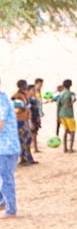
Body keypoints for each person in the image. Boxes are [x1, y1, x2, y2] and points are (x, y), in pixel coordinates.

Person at [0, 81, 18, 217]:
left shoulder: (2, 102)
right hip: (7, 147)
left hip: (5, 148)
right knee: (6, 178)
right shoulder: (4, 99)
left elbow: (0, 125)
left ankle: (10, 210)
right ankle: (3, 203)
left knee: (6, 179)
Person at [12, 80, 35, 165]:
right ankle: (23, 159)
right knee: (23, 139)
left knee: (28, 139)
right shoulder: (16, 95)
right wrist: (23, 108)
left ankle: (28, 157)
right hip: (19, 120)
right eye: (25, 85)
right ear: (22, 86)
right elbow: (14, 106)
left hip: (25, 119)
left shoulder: (24, 95)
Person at [58, 79, 77, 153]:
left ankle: (65, 148)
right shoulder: (71, 93)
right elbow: (74, 99)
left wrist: (57, 116)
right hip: (69, 114)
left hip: (62, 114)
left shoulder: (61, 93)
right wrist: (70, 104)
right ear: (71, 85)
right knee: (72, 131)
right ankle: (71, 148)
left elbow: (58, 105)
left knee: (66, 131)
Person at [29, 78, 44, 154]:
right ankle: (34, 147)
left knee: (35, 132)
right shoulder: (31, 98)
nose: (41, 86)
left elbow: (38, 105)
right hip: (33, 117)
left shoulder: (37, 93)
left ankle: (35, 147)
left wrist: (40, 112)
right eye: (40, 85)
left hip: (36, 115)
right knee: (33, 132)